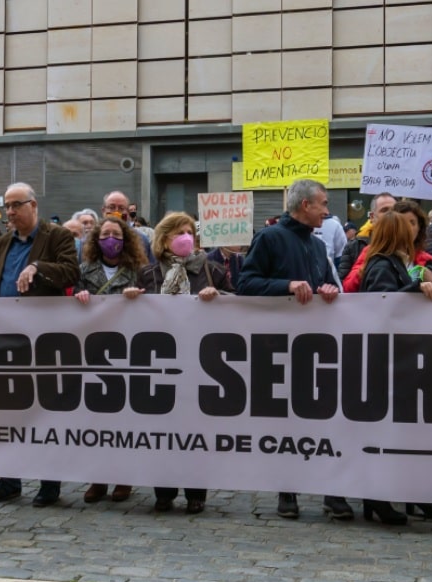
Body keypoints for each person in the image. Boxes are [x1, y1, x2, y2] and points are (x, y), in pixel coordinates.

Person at [236, 179, 346, 521]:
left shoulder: (317, 245)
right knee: (288, 423)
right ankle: (288, 490)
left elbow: (328, 285)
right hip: (278, 346)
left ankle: (333, 491)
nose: (328, 211)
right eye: (323, 204)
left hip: (317, 345)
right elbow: (246, 284)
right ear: (304, 206)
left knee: (328, 420)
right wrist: (286, 286)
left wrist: (327, 289)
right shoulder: (269, 238)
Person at [0, 182, 79, 507]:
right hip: (6, 337)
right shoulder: (4, 241)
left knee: (43, 411)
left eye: (16, 205)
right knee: (6, 410)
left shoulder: (56, 236)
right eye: (7, 206)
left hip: (42, 337)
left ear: (33, 205)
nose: (10, 212)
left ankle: (49, 483)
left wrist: (37, 267)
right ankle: (9, 480)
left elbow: (71, 272)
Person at [137, 212, 232, 514]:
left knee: (196, 429)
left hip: (200, 361)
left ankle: (195, 491)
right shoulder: (148, 273)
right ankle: (163, 491)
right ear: (164, 238)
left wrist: (220, 296)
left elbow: (238, 303)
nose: (186, 237)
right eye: (178, 231)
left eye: (189, 231)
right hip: (160, 362)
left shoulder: (212, 269)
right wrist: (129, 301)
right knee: (162, 429)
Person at [356, 207, 432, 525]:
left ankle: (411, 496)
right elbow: (383, 304)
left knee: (405, 435)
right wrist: (414, 288)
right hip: (386, 359)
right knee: (388, 435)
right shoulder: (381, 264)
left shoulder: (391, 262)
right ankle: (378, 498)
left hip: (397, 357)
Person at [73, 215, 149, 505]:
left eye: (116, 234)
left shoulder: (138, 270)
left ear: (126, 239)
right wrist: (78, 297)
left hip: (128, 351)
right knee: (96, 417)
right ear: (96, 239)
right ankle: (97, 478)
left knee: (124, 419)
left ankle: (124, 478)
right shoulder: (84, 270)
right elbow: (72, 305)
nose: (111, 239)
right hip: (94, 352)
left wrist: (137, 298)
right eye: (105, 234)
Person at [337, 193, 395, 283]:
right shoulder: (354, 246)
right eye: (384, 210)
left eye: (394, 210)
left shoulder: (408, 245)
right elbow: (343, 284)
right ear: (372, 216)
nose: (391, 214)